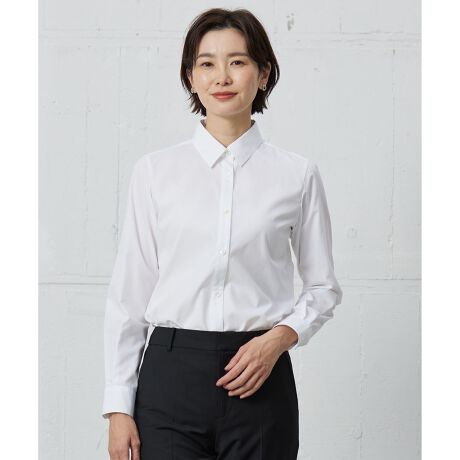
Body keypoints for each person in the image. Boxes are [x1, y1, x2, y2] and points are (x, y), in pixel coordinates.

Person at [102, 7, 343, 460]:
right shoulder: (155, 172)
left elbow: (322, 287)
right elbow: (129, 295)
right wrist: (118, 406)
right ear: (190, 77)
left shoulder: (297, 175)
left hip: (260, 377)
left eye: (237, 61)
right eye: (207, 63)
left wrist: (279, 337)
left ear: (263, 73)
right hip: (169, 379)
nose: (222, 77)